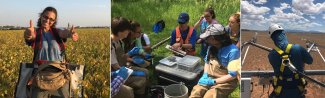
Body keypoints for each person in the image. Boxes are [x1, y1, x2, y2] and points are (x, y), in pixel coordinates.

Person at [24, 6, 78, 98]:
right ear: (41, 16)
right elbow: (30, 36)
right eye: (45, 17)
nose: (47, 20)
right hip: (40, 77)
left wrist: (70, 33)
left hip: (60, 76)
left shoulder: (57, 32)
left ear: (54, 21)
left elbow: (64, 33)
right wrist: (28, 33)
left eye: (51, 19)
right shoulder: (36, 33)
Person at [189, 24, 239, 98]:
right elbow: (207, 62)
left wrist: (213, 82)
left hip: (227, 81)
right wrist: (205, 75)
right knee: (196, 92)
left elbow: (232, 75)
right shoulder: (211, 47)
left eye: (207, 37)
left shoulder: (233, 51)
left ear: (214, 39)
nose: (205, 39)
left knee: (210, 96)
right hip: (210, 76)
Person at [267, 24, 313, 98]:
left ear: (272, 38)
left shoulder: (271, 55)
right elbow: (310, 61)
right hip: (298, 91)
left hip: (281, 92)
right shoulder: (298, 48)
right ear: (284, 34)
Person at [111, 17, 148, 98]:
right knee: (140, 79)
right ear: (120, 32)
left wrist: (130, 53)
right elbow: (116, 67)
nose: (128, 32)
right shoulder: (111, 45)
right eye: (127, 30)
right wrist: (131, 72)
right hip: (116, 74)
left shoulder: (120, 41)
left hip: (123, 68)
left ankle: (141, 94)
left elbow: (122, 57)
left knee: (145, 72)